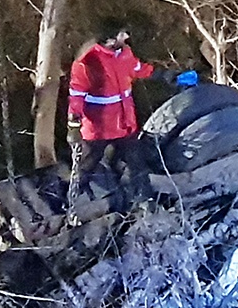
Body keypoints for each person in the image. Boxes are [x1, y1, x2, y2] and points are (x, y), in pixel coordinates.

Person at [67, 19, 169, 216]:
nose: (127, 37)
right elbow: (77, 96)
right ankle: (71, 205)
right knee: (86, 167)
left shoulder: (124, 54)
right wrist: (73, 125)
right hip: (99, 128)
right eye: (122, 34)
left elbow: (139, 69)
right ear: (110, 38)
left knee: (137, 164)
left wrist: (168, 76)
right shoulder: (88, 62)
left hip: (125, 124)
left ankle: (145, 203)